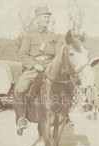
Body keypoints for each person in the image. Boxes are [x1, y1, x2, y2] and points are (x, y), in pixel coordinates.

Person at [14, 7, 60, 135]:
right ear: (37, 19)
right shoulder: (30, 36)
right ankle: (21, 118)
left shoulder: (53, 36)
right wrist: (34, 65)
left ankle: (65, 115)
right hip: (35, 67)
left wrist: (55, 66)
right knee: (20, 86)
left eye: (48, 17)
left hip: (51, 66)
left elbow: (58, 55)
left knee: (64, 83)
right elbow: (22, 55)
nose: (48, 19)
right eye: (45, 17)